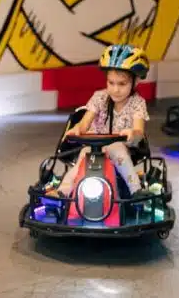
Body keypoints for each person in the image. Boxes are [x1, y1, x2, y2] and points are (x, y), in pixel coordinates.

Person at [53, 44, 152, 199]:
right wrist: (77, 129)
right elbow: (84, 123)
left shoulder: (137, 103)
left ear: (136, 81)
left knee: (117, 148)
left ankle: (135, 191)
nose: (115, 89)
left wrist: (133, 133)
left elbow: (139, 131)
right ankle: (62, 193)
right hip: (94, 146)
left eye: (122, 84)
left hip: (122, 149)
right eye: (111, 82)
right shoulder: (99, 97)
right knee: (82, 159)